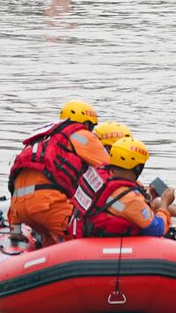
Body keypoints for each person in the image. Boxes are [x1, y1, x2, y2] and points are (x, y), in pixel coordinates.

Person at [7, 100, 110, 245]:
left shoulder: (43, 136)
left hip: (17, 210)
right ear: (86, 124)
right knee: (85, 235)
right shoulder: (80, 135)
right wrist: (139, 193)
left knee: (50, 243)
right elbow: (112, 171)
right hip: (47, 205)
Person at [68, 137, 168, 239]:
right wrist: (165, 204)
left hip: (79, 229)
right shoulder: (130, 198)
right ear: (138, 168)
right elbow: (157, 229)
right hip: (95, 240)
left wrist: (148, 196)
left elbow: (116, 204)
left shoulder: (98, 173)